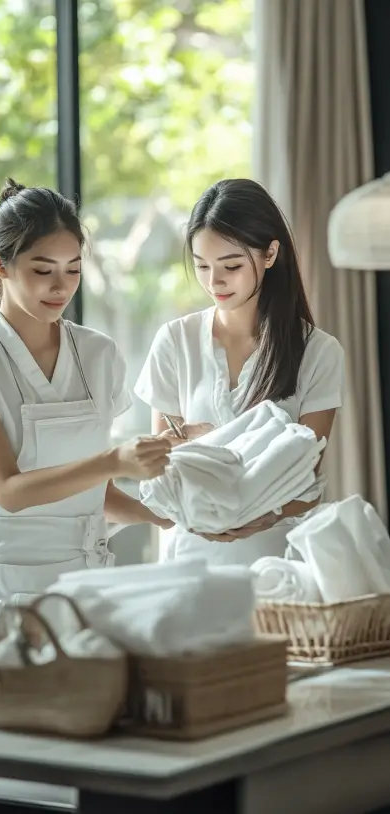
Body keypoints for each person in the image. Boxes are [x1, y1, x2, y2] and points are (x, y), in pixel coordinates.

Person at [0, 178, 172, 647]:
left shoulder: (99, 354)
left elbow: (95, 493)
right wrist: (114, 461)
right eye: (44, 270)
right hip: (6, 593)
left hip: (89, 581)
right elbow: (9, 491)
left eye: (74, 269)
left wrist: (168, 517)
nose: (61, 287)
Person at [135, 178, 345, 566]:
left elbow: (308, 480)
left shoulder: (318, 352)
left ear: (270, 254)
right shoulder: (175, 341)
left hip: (275, 559)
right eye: (201, 266)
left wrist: (265, 515)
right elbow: (161, 470)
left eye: (231, 266)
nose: (214, 282)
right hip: (190, 556)